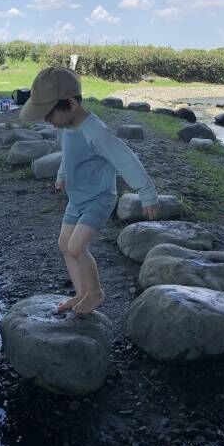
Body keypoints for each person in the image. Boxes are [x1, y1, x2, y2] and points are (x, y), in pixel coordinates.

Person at [20, 67, 159, 315]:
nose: (45, 119)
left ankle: (95, 293)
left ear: (71, 104)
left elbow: (125, 159)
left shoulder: (95, 131)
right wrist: (62, 175)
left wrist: (147, 193)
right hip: (77, 199)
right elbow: (68, 156)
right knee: (64, 244)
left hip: (99, 198)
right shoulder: (65, 128)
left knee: (76, 247)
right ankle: (81, 292)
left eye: (48, 113)